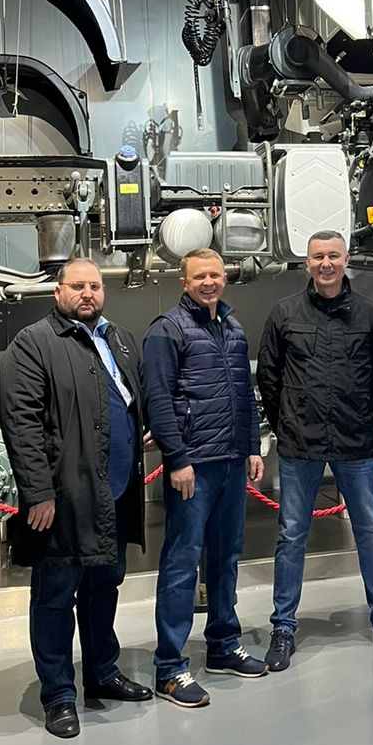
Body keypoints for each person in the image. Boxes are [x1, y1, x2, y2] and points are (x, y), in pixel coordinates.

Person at [0, 258, 150, 739]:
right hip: (64, 498)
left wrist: (141, 428)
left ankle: (102, 672)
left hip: (116, 493)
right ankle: (59, 695)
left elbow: (130, 397)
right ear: (58, 292)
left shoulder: (118, 338)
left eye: (95, 286)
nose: (88, 294)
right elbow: (21, 422)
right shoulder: (34, 343)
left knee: (105, 587)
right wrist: (38, 492)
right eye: (78, 286)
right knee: (55, 597)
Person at [256, 230, 373, 670]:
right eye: (318, 257)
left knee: (371, 531)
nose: (326, 263)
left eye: (333, 255)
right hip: (300, 444)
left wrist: (365, 423)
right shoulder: (284, 313)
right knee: (291, 535)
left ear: (346, 260)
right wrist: (289, 421)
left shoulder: (368, 315)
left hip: (354, 442)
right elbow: (269, 376)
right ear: (307, 263)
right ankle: (283, 628)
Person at [143, 248, 267, 707]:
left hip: (232, 462)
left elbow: (245, 394)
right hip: (192, 467)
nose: (208, 282)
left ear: (225, 278)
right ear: (184, 282)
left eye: (215, 274)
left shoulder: (233, 328)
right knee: (181, 564)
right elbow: (158, 398)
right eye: (199, 277)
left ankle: (223, 645)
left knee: (226, 557)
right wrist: (177, 459)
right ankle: (170, 667)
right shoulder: (167, 330)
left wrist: (252, 447)